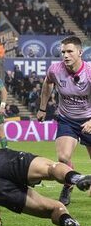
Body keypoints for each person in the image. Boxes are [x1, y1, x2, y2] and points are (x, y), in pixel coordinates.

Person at [37, 35, 91, 206]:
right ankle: (69, 184)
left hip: (88, 119)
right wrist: (42, 108)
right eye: (63, 52)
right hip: (67, 119)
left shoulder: (89, 72)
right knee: (63, 156)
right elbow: (47, 83)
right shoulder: (55, 69)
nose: (65, 55)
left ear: (80, 52)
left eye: (70, 51)